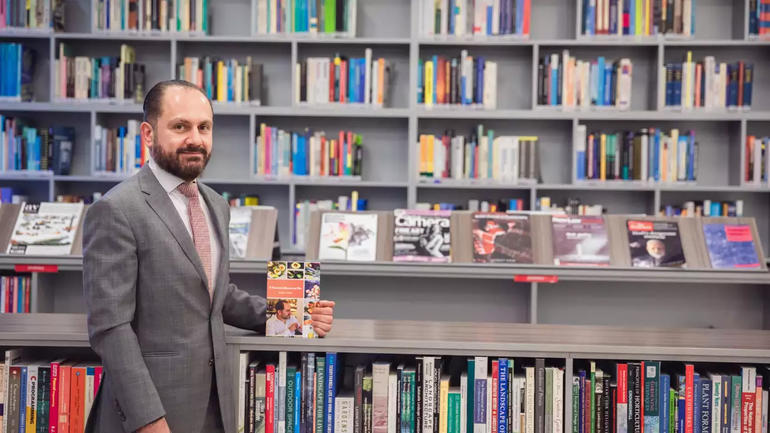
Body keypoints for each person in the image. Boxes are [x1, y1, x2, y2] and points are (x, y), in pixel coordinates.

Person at [82, 80, 335, 433]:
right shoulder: (116, 209)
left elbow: (214, 296)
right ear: (148, 134)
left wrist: (295, 315)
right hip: (152, 413)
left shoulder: (215, 205)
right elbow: (110, 328)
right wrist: (147, 419)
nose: (195, 139)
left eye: (204, 127)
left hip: (215, 406)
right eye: (180, 126)